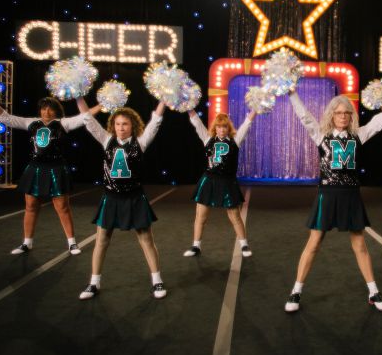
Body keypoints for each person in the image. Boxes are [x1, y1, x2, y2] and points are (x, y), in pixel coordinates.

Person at [283, 91, 382, 313]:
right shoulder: (321, 135)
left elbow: (380, 120)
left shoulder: (359, 135)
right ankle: (296, 291)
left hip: (350, 194)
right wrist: (292, 93)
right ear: (332, 115)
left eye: (347, 113)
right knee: (314, 242)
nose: (343, 116)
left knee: (359, 244)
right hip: (327, 193)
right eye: (339, 113)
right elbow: (304, 116)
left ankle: (373, 292)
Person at [75, 98, 168, 300]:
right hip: (111, 197)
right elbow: (88, 120)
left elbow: (156, 121)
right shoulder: (106, 140)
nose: (121, 128)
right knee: (101, 240)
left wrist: (164, 99)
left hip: (134, 197)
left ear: (132, 125)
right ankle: (94, 283)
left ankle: (157, 280)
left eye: (125, 124)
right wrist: (78, 95)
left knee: (146, 240)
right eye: (117, 124)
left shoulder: (140, 143)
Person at [0, 98, 96, 255]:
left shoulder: (63, 123)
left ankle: (72, 243)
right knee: (31, 206)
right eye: (43, 108)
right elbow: (6, 118)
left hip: (56, 168)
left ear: (56, 111)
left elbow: (86, 116)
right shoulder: (31, 123)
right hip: (36, 168)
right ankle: (27, 243)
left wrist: (102, 104)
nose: (46, 112)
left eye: (50, 109)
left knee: (62, 207)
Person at [183, 110, 257, 258]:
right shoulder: (207, 139)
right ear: (215, 128)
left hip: (227, 181)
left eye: (224, 127)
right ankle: (196, 245)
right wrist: (189, 108)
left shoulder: (235, 141)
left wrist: (255, 109)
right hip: (209, 180)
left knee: (235, 215)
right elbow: (197, 122)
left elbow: (246, 124)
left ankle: (244, 244)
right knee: (200, 216)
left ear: (228, 128)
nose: (221, 130)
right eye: (219, 127)